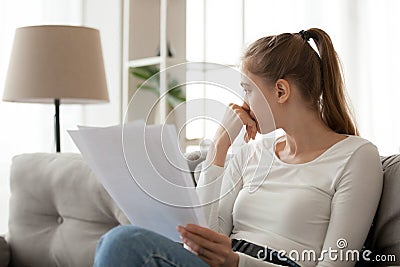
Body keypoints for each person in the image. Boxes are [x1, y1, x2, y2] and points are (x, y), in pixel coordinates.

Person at [93, 28, 383, 267]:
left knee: (123, 243)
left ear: (281, 91)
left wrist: (237, 262)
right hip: (225, 261)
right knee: (115, 239)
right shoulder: (251, 152)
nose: (241, 103)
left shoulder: (356, 157)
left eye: (247, 89)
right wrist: (219, 146)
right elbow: (206, 233)